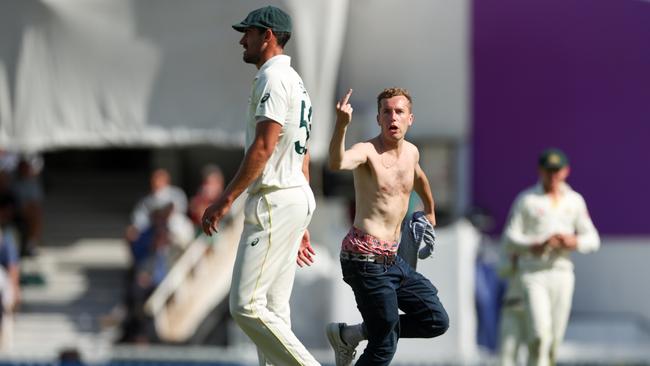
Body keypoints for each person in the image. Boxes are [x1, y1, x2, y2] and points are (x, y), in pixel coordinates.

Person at [201, 6, 318, 366]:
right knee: (274, 312)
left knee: (245, 305)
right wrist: (302, 220)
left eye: (248, 33)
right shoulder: (296, 81)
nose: (242, 39)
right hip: (294, 196)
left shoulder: (274, 79)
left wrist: (225, 199)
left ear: (267, 36)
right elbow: (303, 153)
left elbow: (264, 147)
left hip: (275, 200)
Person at [326, 88, 449, 366]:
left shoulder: (412, 153)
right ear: (378, 118)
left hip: (393, 261)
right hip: (363, 259)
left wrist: (429, 210)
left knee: (435, 321)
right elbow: (337, 162)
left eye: (399, 112)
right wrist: (341, 126)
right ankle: (364, 335)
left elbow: (419, 178)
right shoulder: (367, 151)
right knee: (384, 345)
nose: (393, 117)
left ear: (410, 119)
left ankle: (352, 335)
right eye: (387, 112)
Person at [501, 148, 600, 366]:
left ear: (566, 171)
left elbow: (592, 239)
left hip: (562, 272)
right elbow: (509, 238)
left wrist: (573, 241)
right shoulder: (527, 200)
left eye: (557, 171)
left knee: (554, 340)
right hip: (533, 273)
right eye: (548, 171)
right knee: (539, 334)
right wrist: (535, 244)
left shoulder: (574, 200)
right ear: (540, 171)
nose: (553, 176)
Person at [189, 164, 224, 230]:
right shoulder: (198, 200)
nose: (208, 187)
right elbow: (199, 217)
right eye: (206, 183)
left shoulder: (229, 202)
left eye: (212, 183)